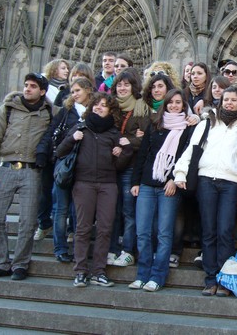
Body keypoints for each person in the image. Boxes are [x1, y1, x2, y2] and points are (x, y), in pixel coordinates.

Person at [174, 87, 237, 296]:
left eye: (234, 100)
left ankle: (224, 281)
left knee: (225, 231)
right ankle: (210, 279)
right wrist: (180, 173)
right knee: (209, 231)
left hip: (230, 183)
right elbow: (192, 148)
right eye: (227, 99)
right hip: (206, 180)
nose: (230, 103)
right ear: (221, 101)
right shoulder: (208, 122)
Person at [0, 73, 52, 281]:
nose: (27, 89)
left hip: (33, 172)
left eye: (33, 86)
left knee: (28, 223)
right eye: (26, 85)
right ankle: (1, 263)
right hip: (6, 169)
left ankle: (20, 264)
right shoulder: (8, 108)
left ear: (43, 91)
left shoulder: (49, 112)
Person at [56, 93, 132, 288]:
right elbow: (59, 152)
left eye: (104, 105)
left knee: (105, 229)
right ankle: (80, 271)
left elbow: (121, 165)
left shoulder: (114, 133)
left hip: (108, 185)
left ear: (110, 110)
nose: (99, 107)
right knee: (82, 229)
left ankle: (99, 271)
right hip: (84, 184)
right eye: (96, 104)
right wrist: (72, 139)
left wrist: (123, 151)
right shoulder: (81, 128)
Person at [129, 89, 193, 291]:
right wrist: (136, 182)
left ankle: (157, 276)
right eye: (171, 102)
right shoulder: (155, 123)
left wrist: (175, 179)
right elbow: (143, 155)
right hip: (148, 184)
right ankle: (142, 274)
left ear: (184, 105)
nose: (174, 105)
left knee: (164, 234)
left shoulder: (188, 127)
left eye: (178, 102)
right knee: (143, 232)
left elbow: (186, 157)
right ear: (165, 104)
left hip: (169, 187)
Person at [36, 77, 94, 263]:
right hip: (64, 167)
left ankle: (79, 249)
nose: (75, 94)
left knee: (79, 212)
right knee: (61, 210)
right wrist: (43, 154)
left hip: (85, 169)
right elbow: (51, 132)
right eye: (73, 91)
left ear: (87, 90)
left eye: (78, 90)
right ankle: (60, 248)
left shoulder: (95, 111)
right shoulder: (66, 111)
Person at [107, 68, 151, 267]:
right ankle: (112, 249)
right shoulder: (109, 106)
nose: (122, 88)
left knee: (128, 211)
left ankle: (127, 250)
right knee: (112, 211)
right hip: (109, 166)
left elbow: (146, 140)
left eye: (126, 84)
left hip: (130, 168)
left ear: (134, 86)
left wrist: (127, 142)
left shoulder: (142, 108)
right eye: (119, 84)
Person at [34, 59, 71, 242]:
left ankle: (61, 234)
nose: (66, 71)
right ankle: (43, 223)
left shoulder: (68, 92)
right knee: (45, 191)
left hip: (65, 154)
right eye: (63, 68)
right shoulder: (47, 89)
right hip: (50, 151)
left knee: (59, 197)